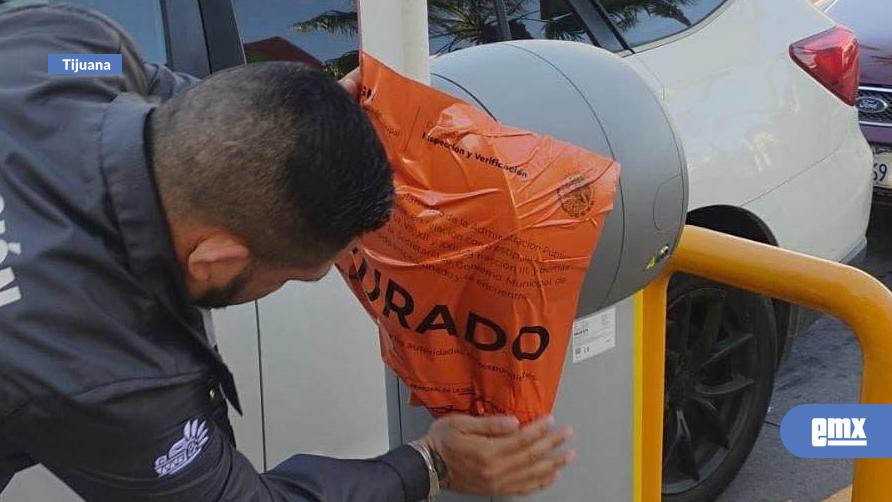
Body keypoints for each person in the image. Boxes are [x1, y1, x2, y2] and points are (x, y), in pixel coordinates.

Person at [0, 3, 576, 500]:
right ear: (216, 259)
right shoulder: (113, 377)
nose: (310, 279)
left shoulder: (62, 53)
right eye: (296, 275)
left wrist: (294, 120)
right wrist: (431, 464)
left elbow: (137, 82)